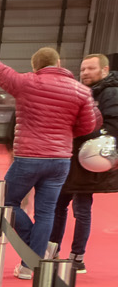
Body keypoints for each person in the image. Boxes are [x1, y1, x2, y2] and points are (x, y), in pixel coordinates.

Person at [0, 41, 100, 277]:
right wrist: (64, 134)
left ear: (35, 67)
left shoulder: (26, 82)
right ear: (58, 63)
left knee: (4, 201)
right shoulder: (81, 91)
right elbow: (88, 126)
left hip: (28, 157)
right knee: (46, 213)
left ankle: (33, 255)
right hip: (60, 160)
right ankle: (31, 265)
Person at [49, 54, 118, 274]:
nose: (85, 73)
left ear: (104, 70)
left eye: (90, 68)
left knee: (81, 209)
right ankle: (52, 251)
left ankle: (77, 257)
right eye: (83, 69)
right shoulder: (85, 91)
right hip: (71, 159)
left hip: (89, 162)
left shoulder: (110, 93)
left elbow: (112, 127)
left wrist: (81, 130)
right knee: (58, 206)